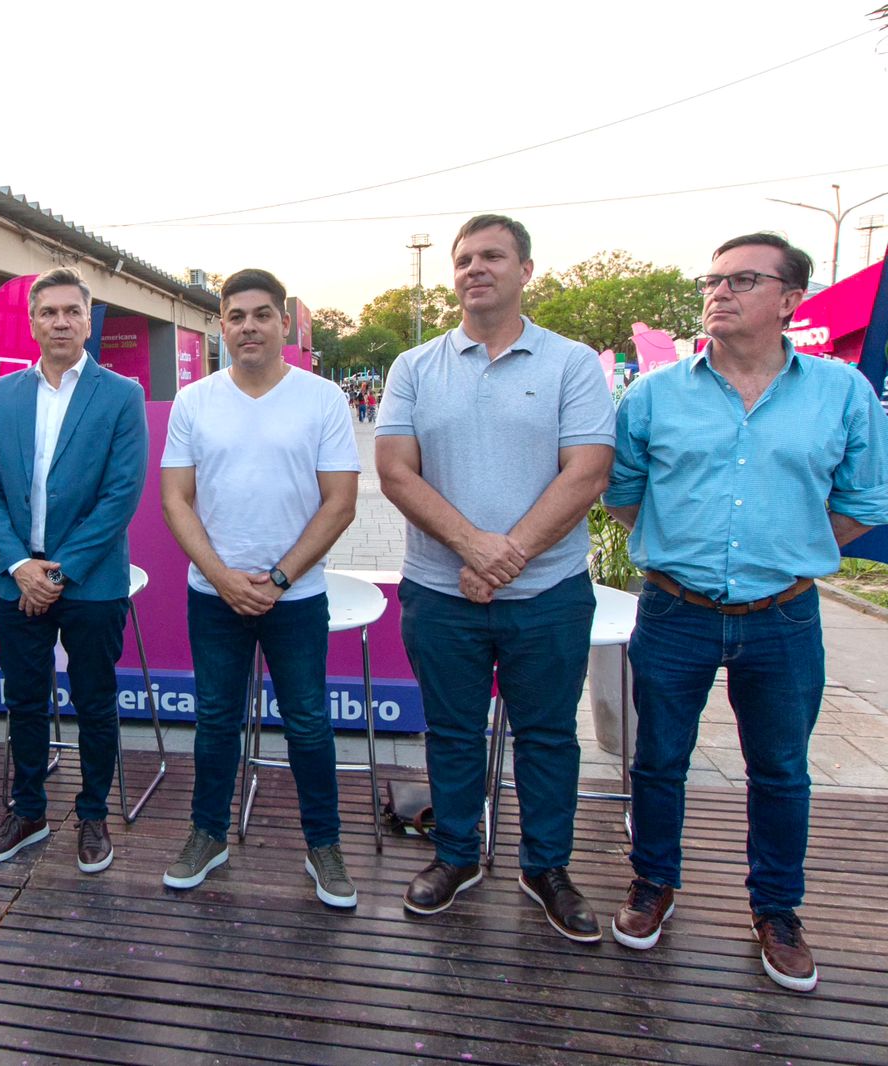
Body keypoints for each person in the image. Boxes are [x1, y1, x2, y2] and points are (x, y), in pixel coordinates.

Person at [605, 233, 888, 991]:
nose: (719, 292)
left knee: (782, 770)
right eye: (713, 279)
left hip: (785, 617)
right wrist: (678, 548)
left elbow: (865, 500)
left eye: (743, 280)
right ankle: (652, 884)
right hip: (676, 610)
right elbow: (623, 493)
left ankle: (777, 909)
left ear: (791, 299)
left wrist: (792, 549)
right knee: (659, 758)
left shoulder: (841, 393)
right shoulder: (655, 394)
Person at [375, 214, 614, 940]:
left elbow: (589, 471)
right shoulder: (414, 367)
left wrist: (506, 555)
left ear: (526, 271)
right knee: (451, 732)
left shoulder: (571, 363)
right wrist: (474, 548)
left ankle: (546, 866)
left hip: (548, 595)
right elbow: (393, 470)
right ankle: (456, 854)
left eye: (492, 257)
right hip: (442, 594)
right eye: (464, 259)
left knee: (547, 736)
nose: (475, 269)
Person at [159, 268, 361, 907]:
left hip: (294, 597)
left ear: (283, 323)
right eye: (236, 315)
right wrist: (223, 579)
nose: (249, 326)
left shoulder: (323, 399)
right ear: (221, 325)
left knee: (307, 723)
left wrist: (276, 579)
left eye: (262, 314)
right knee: (215, 719)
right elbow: (175, 499)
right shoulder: (194, 402)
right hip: (213, 596)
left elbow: (341, 503)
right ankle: (207, 834)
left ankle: (322, 845)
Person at [0, 266, 148, 873]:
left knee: (95, 702)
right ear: (33, 323)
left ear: (88, 318)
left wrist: (59, 572)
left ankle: (93, 814)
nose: (61, 322)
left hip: (91, 582)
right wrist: (20, 564)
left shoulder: (121, 395)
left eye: (72, 311)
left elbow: (121, 496)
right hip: (15, 579)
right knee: (23, 702)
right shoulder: (3, 394)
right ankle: (28, 812)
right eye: (49, 313)